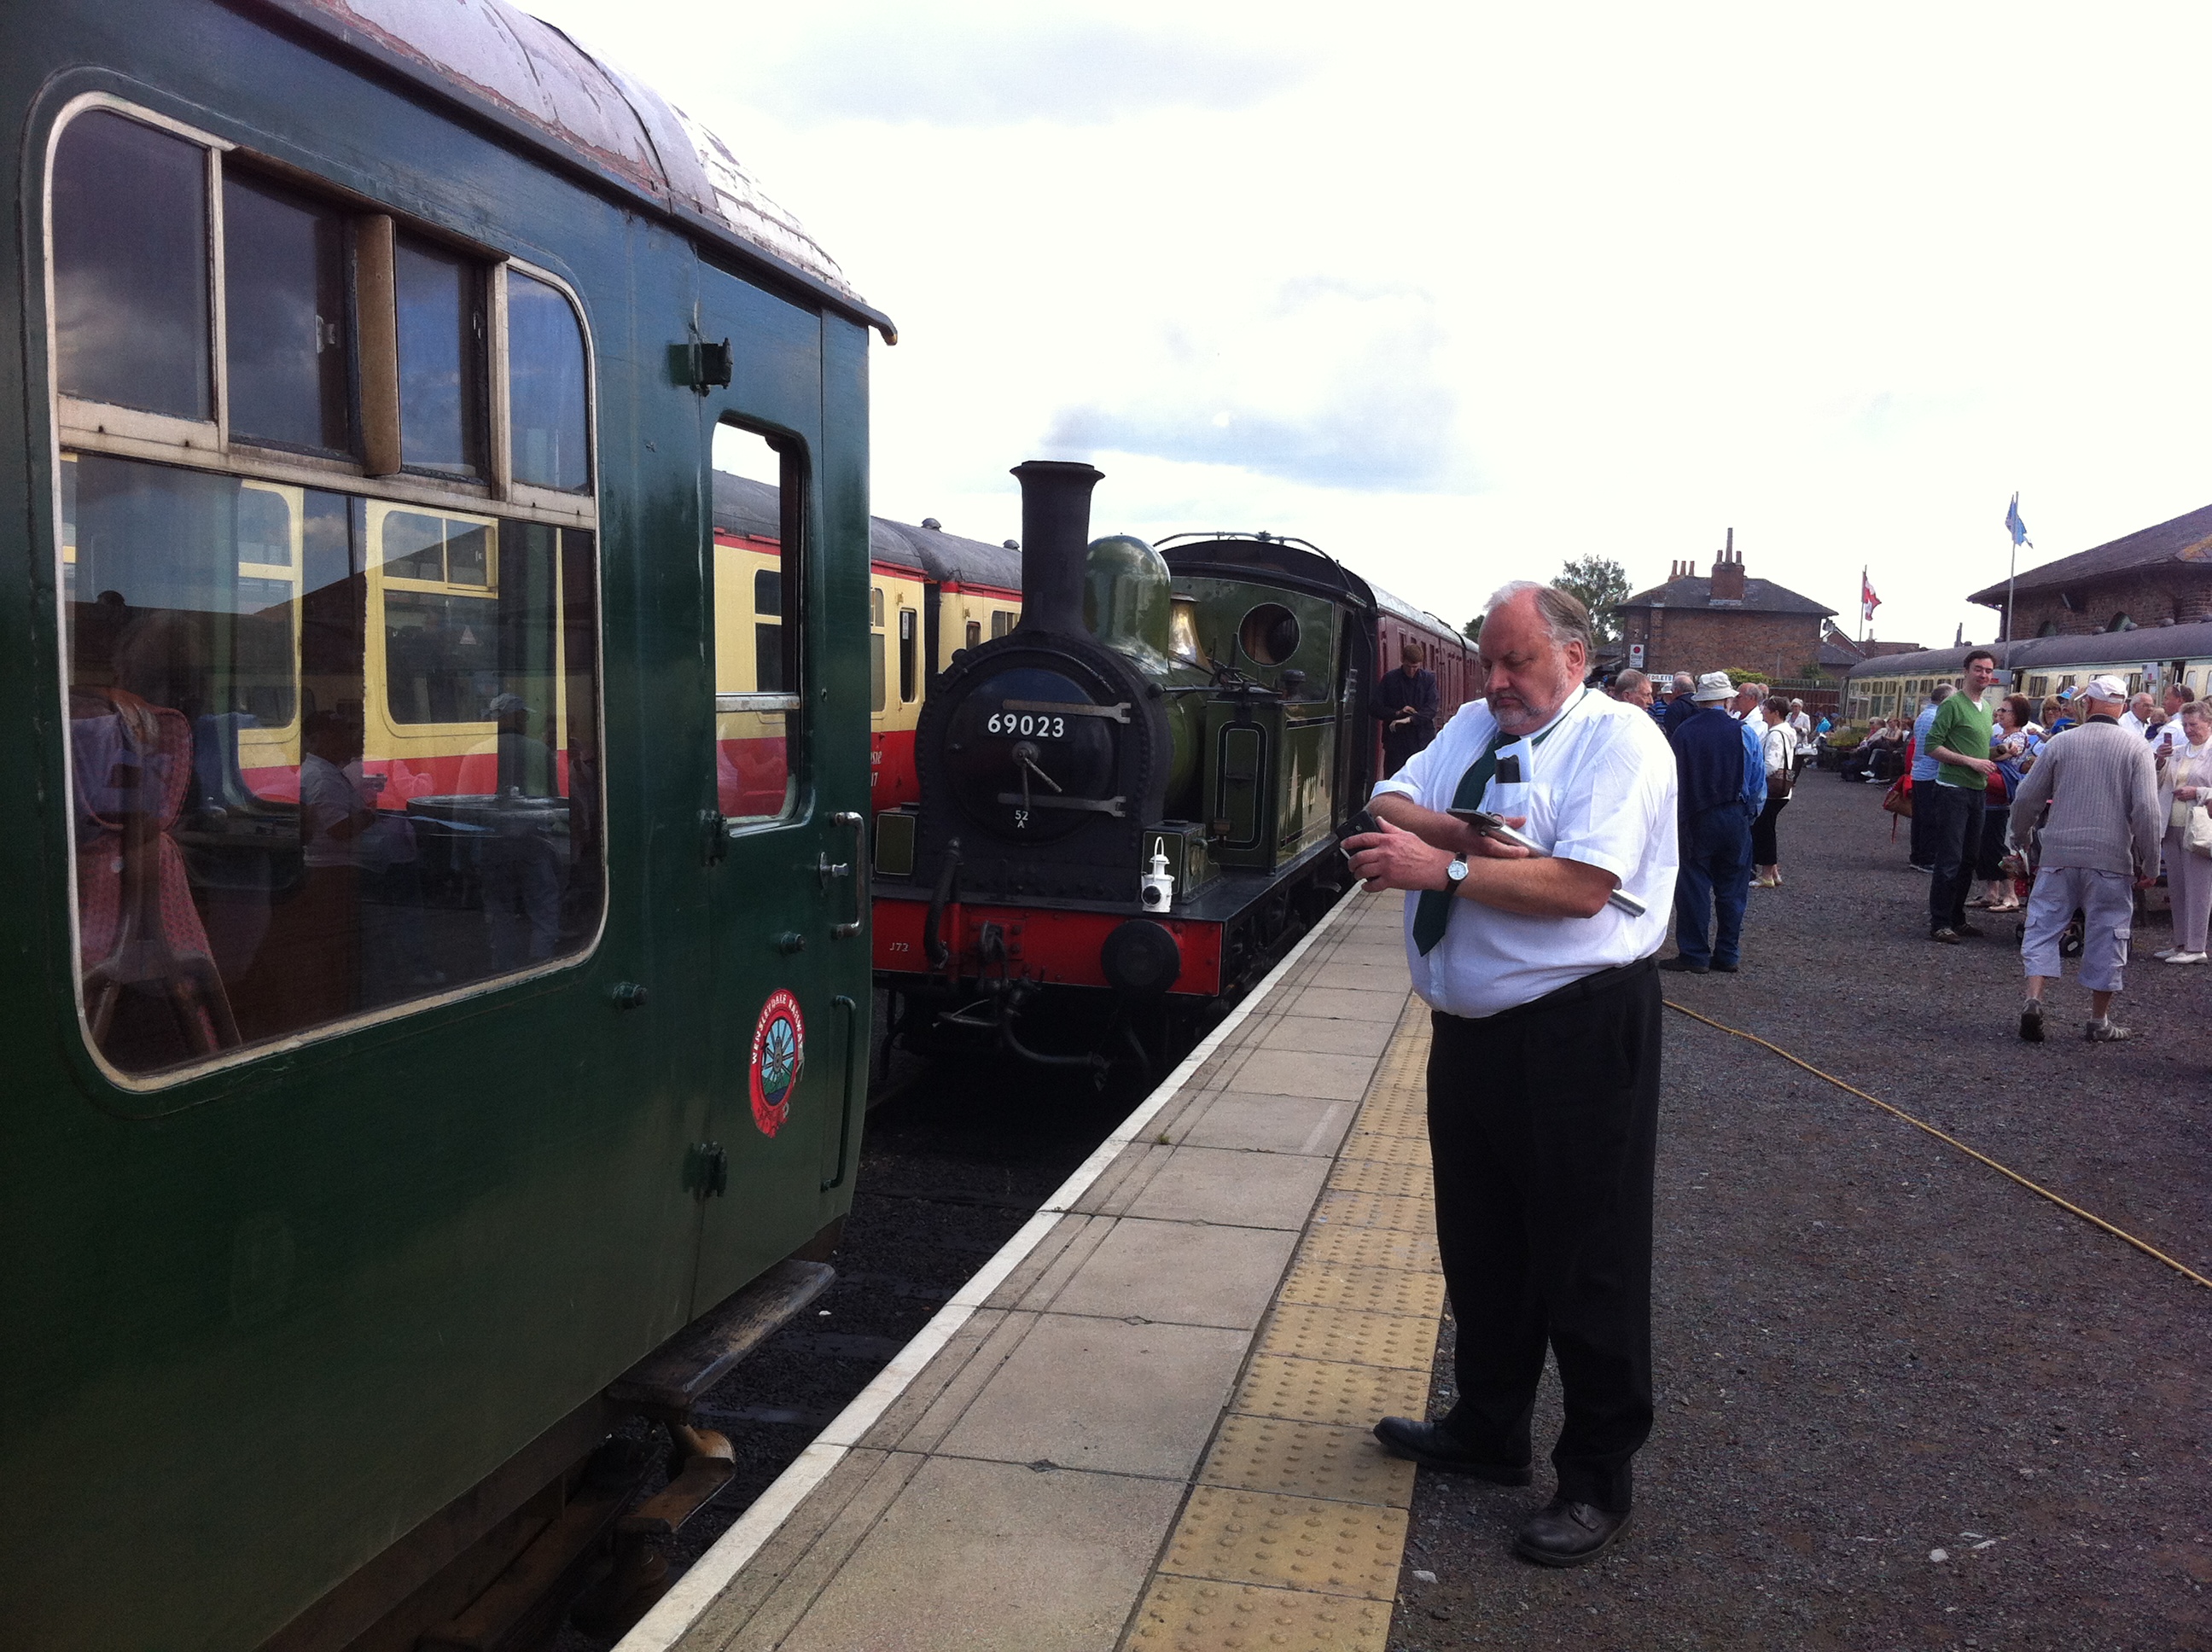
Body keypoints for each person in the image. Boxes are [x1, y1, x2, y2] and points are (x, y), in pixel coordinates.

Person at [1349, 580, 1678, 1568]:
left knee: (1588, 1255)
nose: (1496, 680)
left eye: (1516, 661)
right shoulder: (1468, 726)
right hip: (1473, 1035)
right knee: (1484, 1242)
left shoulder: (1620, 744)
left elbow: (1581, 886)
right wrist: (1459, 833)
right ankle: (1489, 1429)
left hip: (1577, 1034)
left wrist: (1440, 869)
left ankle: (1595, 1478)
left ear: (1574, 657)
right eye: (1489, 660)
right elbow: (1386, 796)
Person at [2007, 674, 2163, 1042]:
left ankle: (2034, 998)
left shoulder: (2061, 742)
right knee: (2108, 933)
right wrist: (2150, 863)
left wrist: (2020, 838)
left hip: (2059, 854)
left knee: (2043, 926)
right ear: (2123, 706)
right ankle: (2098, 1019)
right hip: (2111, 859)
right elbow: (2147, 811)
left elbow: (2027, 798)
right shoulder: (2136, 748)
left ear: (2087, 705)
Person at [1665, 672, 1760, 973]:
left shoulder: (1683, 733)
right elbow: (1757, 784)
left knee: (1694, 884)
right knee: (1733, 886)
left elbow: (1672, 781)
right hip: (1735, 813)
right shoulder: (1744, 732)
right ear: (1727, 698)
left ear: (1700, 698)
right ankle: (1728, 953)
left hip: (1695, 815)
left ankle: (1694, 954)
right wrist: (1749, 815)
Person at [1924, 652, 1998, 943]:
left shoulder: (1987, 708)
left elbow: (1978, 754)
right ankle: (1939, 922)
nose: (1983, 675)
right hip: (1952, 790)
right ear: (1966, 671)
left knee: (1969, 858)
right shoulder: (1953, 705)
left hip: (1977, 790)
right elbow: (1932, 746)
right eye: (1978, 669)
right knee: (1950, 858)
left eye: (1988, 670)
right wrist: (1970, 762)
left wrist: (1997, 755)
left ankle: (1957, 917)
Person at [2154, 700, 2212, 965]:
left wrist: (2197, 792)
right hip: (2172, 825)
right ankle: (2180, 942)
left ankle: (2196, 946)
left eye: (2195, 725)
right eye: (2186, 724)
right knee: (2177, 887)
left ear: (2208, 724)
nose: (2189, 730)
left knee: (2199, 888)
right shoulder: (2176, 752)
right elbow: (2157, 783)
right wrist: (2159, 760)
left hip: (2199, 826)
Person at [1970, 695, 2033, 914]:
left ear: (2017, 715)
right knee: (1984, 845)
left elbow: (1999, 756)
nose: (1999, 713)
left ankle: (2011, 894)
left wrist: (1983, 753)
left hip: (2003, 799)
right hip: (1988, 796)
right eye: (1999, 709)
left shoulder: (2019, 737)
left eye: (2005, 710)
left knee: (2002, 847)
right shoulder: (1997, 733)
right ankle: (1991, 892)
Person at [1374, 639, 1442, 778]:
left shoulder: (1428, 680)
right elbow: (1375, 708)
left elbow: (1431, 709)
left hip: (1421, 742)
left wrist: (1410, 719)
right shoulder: (1390, 679)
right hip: (1396, 744)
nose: (1412, 671)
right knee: (1395, 781)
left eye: (1415, 667)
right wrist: (1397, 713)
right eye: (1408, 666)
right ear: (1402, 660)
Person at [1906, 684, 1953, 870]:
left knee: (1919, 818)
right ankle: (1927, 858)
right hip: (1931, 772)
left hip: (1919, 771)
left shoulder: (1924, 715)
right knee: (1931, 818)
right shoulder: (1936, 717)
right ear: (1945, 699)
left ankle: (1917, 855)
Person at [1751, 695, 1796, 887]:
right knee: (1768, 828)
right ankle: (1774, 873)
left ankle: (1766, 875)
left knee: (1764, 830)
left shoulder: (1776, 734)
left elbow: (1771, 764)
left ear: (1776, 713)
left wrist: (1755, 773)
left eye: (1766, 709)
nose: (1763, 711)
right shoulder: (1787, 731)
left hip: (1772, 790)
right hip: (1784, 789)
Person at [1662, 672, 1700, 736]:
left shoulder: (1675, 707)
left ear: (1677, 691)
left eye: (1672, 691)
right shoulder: (1701, 704)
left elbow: (1670, 730)